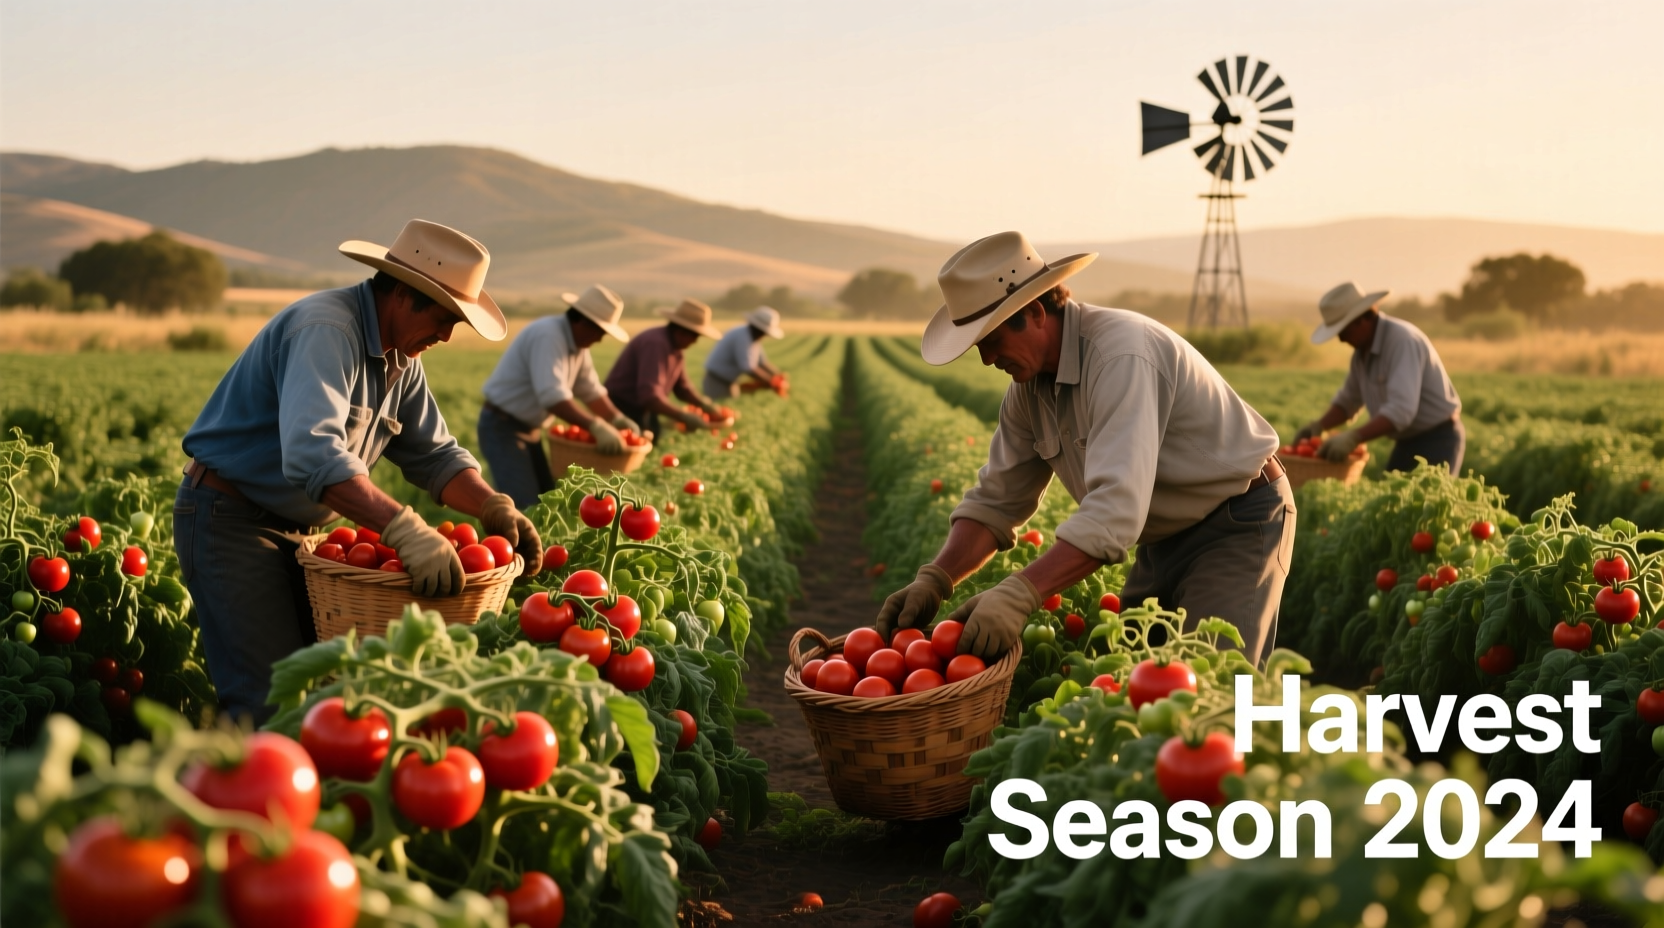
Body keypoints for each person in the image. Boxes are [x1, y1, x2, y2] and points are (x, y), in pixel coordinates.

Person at [175, 219, 543, 724]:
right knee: (271, 704)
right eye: (444, 317)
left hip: (302, 535)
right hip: (231, 521)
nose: (445, 334)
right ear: (404, 294)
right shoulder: (327, 330)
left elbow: (434, 455)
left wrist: (492, 505)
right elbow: (312, 454)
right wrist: (403, 529)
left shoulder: (401, 360)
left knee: (320, 695)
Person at [876, 231, 1292, 665]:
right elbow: (997, 501)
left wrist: (1021, 592)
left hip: (1237, 521)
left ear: (1035, 312)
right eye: (979, 347)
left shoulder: (1120, 357)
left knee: (1211, 678)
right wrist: (937, 578)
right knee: (1134, 681)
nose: (986, 359)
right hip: (1162, 538)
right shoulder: (1028, 391)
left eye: (992, 341)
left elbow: (1113, 510)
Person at [478, 284, 637, 508]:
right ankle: (510, 543)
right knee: (525, 506)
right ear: (582, 321)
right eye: (599, 332)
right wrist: (595, 426)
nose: (600, 339)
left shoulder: (578, 347)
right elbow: (552, 397)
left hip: (529, 430)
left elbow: (590, 391)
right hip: (503, 427)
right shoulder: (548, 336)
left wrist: (618, 420)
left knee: (546, 501)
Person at [1294, 282, 1464, 473]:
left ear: (1362, 319)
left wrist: (1354, 437)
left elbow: (1401, 410)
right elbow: (1348, 402)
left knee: (1429, 500)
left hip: (1438, 439)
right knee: (1393, 499)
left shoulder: (1402, 342)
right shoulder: (1361, 355)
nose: (1341, 339)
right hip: (1406, 441)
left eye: (1343, 331)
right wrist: (1318, 426)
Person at [604, 298, 736, 436]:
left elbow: (682, 388)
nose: (695, 341)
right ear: (682, 332)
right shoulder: (656, 344)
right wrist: (682, 416)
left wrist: (702, 404)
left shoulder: (676, 350)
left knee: (652, 439)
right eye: (695, 336)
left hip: (644, 407)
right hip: (623, 407)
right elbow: (649, 395)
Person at [702, 306, 787, 398]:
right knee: (720, 407)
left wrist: (777, 374)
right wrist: (771, 382)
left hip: (729, 380)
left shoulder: (753, 338)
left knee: (733, 403)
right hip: (717, 380)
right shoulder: (743, 337)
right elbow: (747, 368)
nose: (764, 335)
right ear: (757, 328)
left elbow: (762, 362)